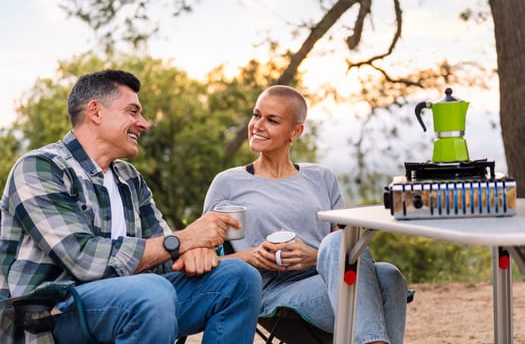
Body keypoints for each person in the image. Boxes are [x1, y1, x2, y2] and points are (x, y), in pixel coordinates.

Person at [0, 69, 262, 344]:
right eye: (133, 112)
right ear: (95, 112)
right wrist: (182, 240)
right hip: (50, 314)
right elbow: (83, 258)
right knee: (151, 292)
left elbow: (166, 256)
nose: (144, 123)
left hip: (133, 299)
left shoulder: (130, 179)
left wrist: (196, 250)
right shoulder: (40, 168)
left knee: (239, 278)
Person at [203, 85, 407, 344]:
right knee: (351, 257)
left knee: (388, 274)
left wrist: (313, 257)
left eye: (272, 120)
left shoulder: (322, 177)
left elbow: (348, 246)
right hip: (273, 292)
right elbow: (205, 256)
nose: (257, 125)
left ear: (296, 131)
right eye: (256, 115)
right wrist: (251, 255)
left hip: (326, 279)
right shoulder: (228, 183)